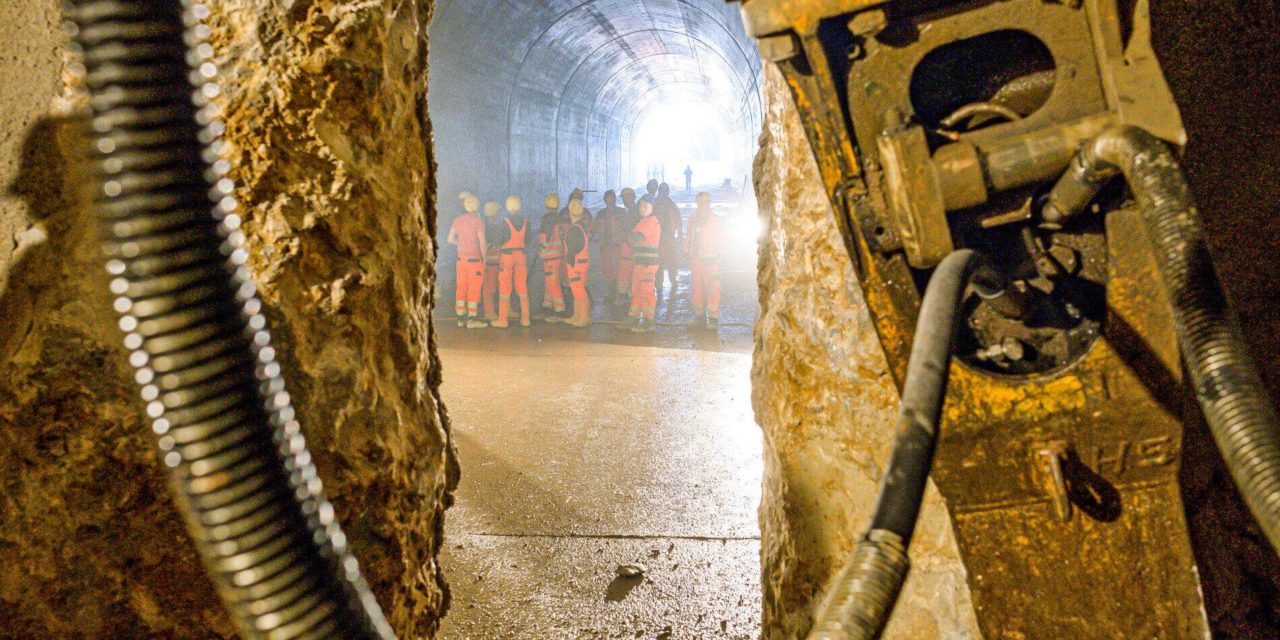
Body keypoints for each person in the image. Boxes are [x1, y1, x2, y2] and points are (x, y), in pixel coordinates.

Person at [446, 194, 487, 328]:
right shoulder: (478, 222)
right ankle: (472, 319)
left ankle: (460, 318)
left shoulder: (457, 220)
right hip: (474, 260)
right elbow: (482, 242)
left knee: (461, 287)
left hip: (460, 260)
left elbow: (450, 239)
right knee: (474, 289)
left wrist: (461, 243)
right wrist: (484, 258)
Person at [684, 192, 723, 329]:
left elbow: (722, 242)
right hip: (696, 260)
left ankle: (713, 318)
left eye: (705, 202)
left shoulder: (717, 220)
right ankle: (699, 317)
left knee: (712, 289)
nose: (702, 205)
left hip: (711, 262)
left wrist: (717, 258)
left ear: (709, 203)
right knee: (697, 289)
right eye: (700, 202)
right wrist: (686, 251)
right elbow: (688, 236)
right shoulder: (693, 219)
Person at [493, 195, 531, 328]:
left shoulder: (504, 223)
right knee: (522, 286)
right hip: (521, 256)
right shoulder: (526, 222)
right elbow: (528, 241)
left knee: (504, 286)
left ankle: (502, 319)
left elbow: (498, 241)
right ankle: (526, 319)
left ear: (507, 207)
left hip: (507, 257)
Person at [627, 199, 661, 332]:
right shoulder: (643, 222)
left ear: (652, 207)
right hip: (640, 263)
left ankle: (648, 321)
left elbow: (635, 238)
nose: (642, 208)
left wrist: (630, 237)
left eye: (645, 206)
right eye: (640, 206)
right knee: (636, 290)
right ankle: (633, 318)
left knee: (646, 292)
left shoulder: (651, 222)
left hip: (648, 264)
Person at [592, 190, 627, 305]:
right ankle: (610, 291)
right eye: (608, 198)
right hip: (605, 246)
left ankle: (620, 293)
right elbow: (595, 229)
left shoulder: (621, 212)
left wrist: (620, 239)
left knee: (618, 269)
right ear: (605, 199)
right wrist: (597, 238)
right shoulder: (600, 214)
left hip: (616, 246)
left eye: (612, 198)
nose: (611, 200)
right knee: (607, 269)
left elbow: (625, 228)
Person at [563, 200, 592, 327]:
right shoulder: (582, 226)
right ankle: (577, 315)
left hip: (576, 263)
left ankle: (583, 318)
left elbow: (572, 248)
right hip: (583, 262)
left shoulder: (574, 229)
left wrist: (569, 263)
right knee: (577, 290)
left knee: (579, 291)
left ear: (570, 212)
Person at [538, 194, 567, 320]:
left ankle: (560, 311)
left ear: (546, 205)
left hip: (550, 257)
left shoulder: (546, 219)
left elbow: (544, 239)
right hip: (560, 255)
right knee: (550, 282)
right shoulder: (562, 218)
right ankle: (547, 306)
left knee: (552, 283)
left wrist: (540, 252)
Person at [653, 182, 682, 296]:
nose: (664, 193)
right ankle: (662, 282)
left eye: (664, 191)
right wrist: (679, 236)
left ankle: (666, 282)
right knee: (662, 262)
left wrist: (679, 236)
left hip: (665, 238)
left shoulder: (659, 204)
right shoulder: (667, 205)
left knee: (668, 261)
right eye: (662, 191)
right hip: (660, 239)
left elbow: (678, 222)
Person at [614, 188, 640, 305]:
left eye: (625, 198)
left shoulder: (634, 212)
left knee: (625, 273)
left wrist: (621, 237)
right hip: (629, 246)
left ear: (632, 197)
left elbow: (631, 231)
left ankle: (625, 296)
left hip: (629, 247)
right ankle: (631, 295)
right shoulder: (631, 211)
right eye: (623, 198)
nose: (624, 200)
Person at [481, 200, 504, 321]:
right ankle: (489, 312)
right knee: (490, 288)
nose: (500, 214)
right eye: (498, 212)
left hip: (497, 262)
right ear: (494, 213)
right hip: (490, 263)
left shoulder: (493, 226)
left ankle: (505, 309)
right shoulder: (487, 228)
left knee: (502, 287)